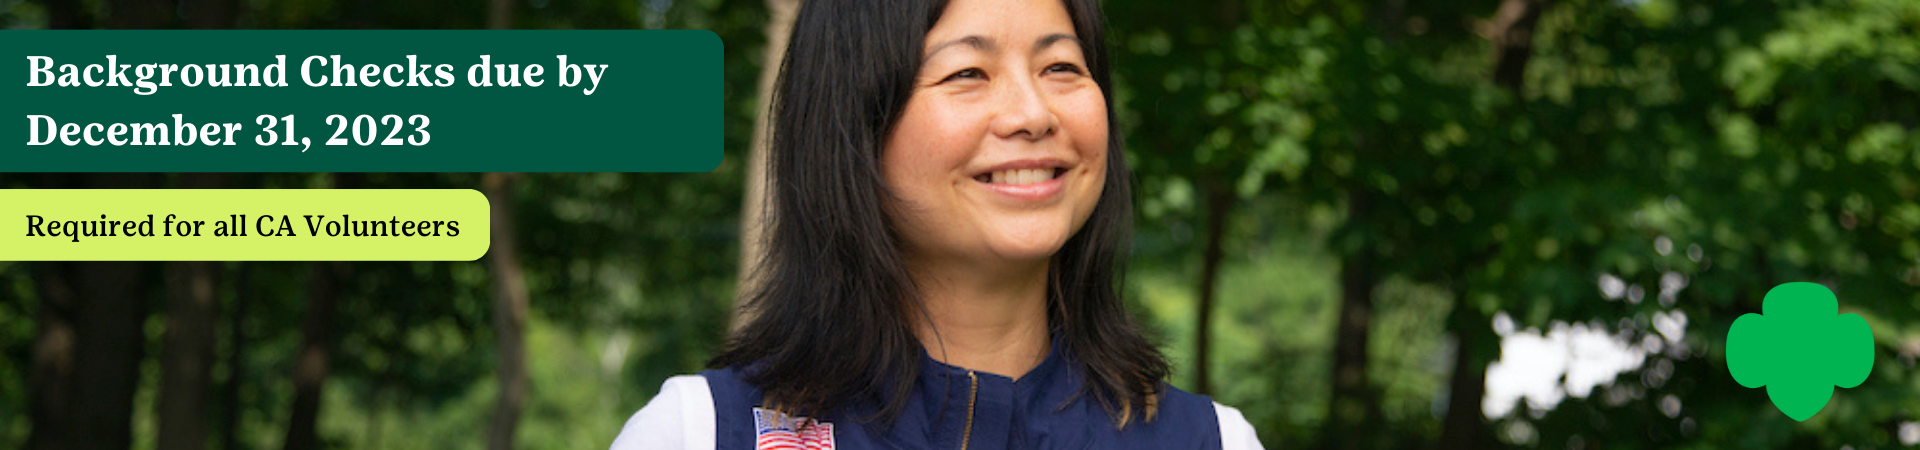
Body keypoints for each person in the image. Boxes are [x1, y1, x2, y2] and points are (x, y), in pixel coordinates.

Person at [612, 0, 1264, 448]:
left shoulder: (1213, 440)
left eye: (1062, 66)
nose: (1033, 113)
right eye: (967, 73)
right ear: (855, 124)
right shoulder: (702, 432)